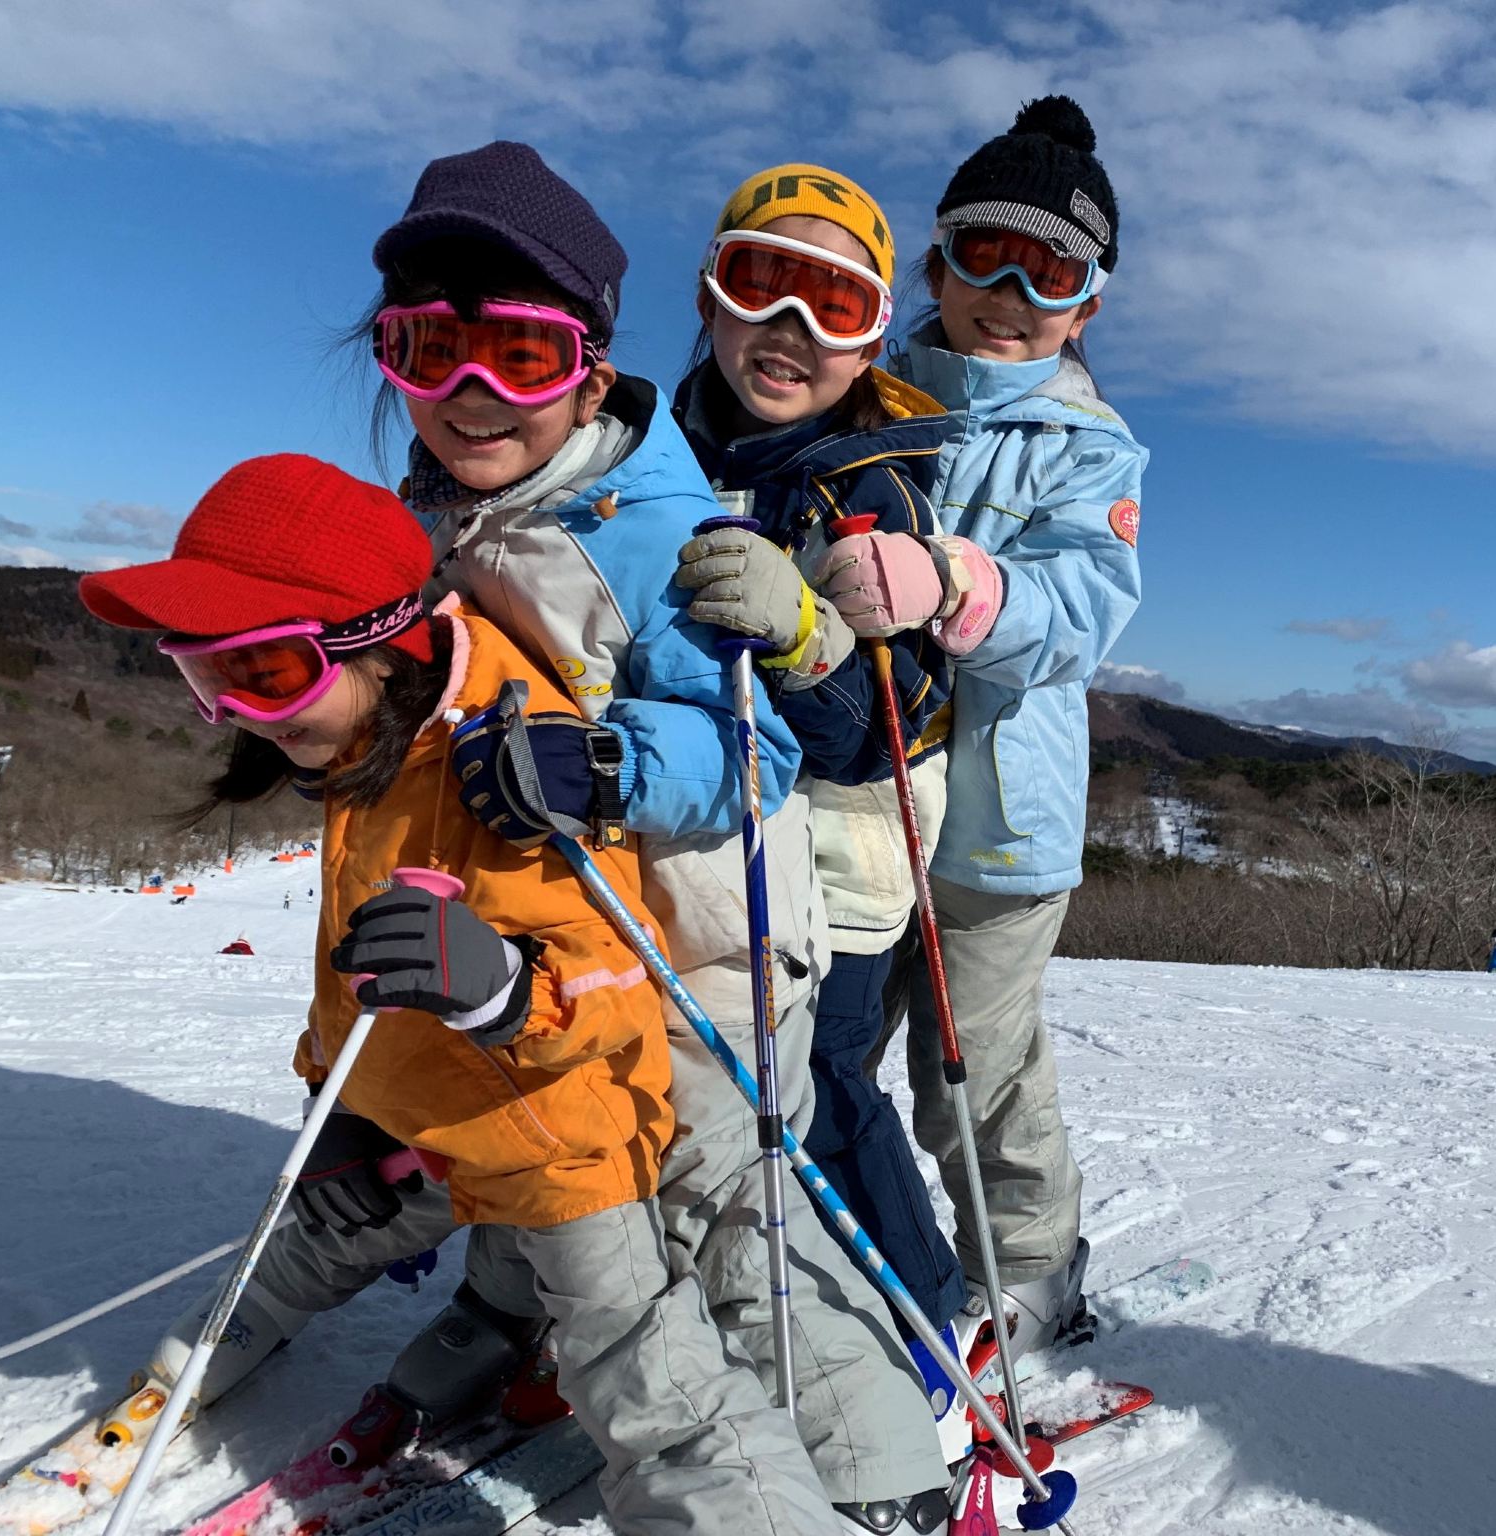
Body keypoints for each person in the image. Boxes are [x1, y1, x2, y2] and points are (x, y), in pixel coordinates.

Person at [80, 454, 843, 1534]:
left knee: (646, 1386)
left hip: (557, 1139)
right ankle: (209, 1350)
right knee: (313, 1228)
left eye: (267, 672)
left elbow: (622, 982)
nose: (241, 714)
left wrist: (502, 992)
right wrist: (335, 1109)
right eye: (205, 679)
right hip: (420, 1114)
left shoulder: (503, 756)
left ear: (376, 643)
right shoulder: (364, 741)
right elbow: (348, 969)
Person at [362, 142, 946, 1527]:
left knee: (731, 1215)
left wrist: (606, 759)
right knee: (536, 1149)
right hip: (555, 936)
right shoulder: (443, 508)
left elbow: (760, 750)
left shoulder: (652, 518)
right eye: (427, 349)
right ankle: (519, 1327)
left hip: (707, 940)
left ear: (588, 358)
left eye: (518, 352)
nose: (469, 392)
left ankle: (880, 1468)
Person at [671, 164, 971, 1382]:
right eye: (762, 283)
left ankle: (921, 1324)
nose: (790, 330)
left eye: (833, 303)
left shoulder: (869, 482)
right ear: (709, 293)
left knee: (822, 1078)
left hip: (843, 834)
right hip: (705, 820)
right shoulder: (659, 447)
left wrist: (811, 638)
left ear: (872, 337)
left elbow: (880, 732)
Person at [863, 96, 1146, 1358]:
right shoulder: (859, 393)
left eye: (1052, 269)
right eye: (984, 252)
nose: (1010, 290)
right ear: (934, 265)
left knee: (968, 1075)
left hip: (993, 825)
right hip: (850, 802)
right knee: (811, 1050)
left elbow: (1085, 608)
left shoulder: (1089, 447)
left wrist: (958, 585)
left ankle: (1029, 1268)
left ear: (1086, 304)